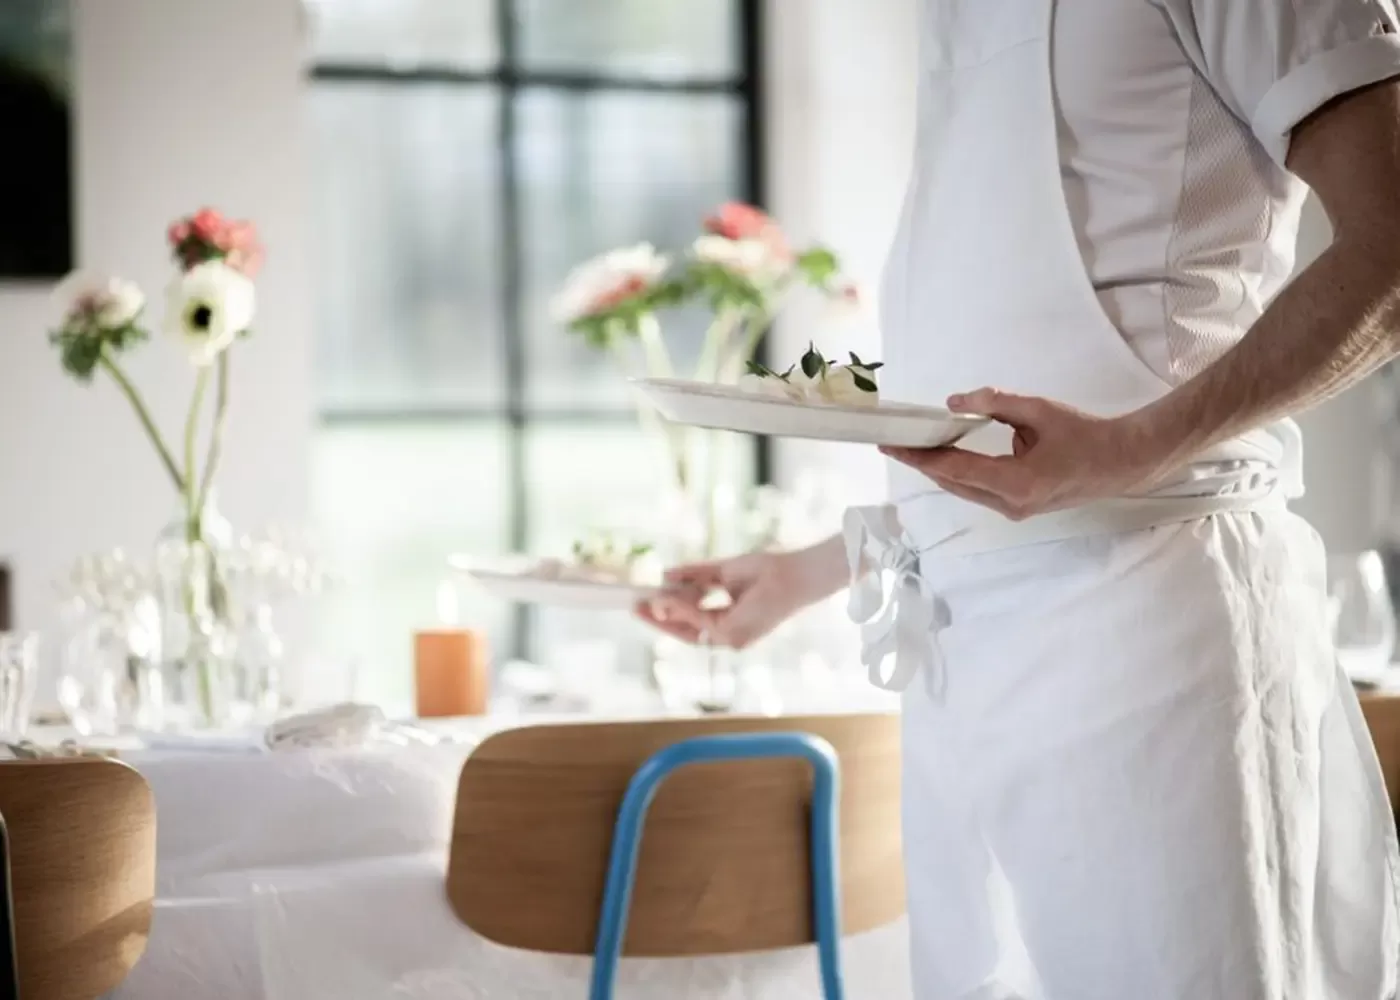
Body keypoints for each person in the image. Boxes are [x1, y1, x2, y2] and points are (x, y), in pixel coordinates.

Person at [642, 2, 1400, 998]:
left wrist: (1138, 446)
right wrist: (806, 572)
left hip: (1151, 623)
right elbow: (1000, 397)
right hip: (954, 655)